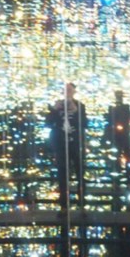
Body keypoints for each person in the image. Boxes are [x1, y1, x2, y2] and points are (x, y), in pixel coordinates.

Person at [46, 82, 87, 210]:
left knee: (80, 172)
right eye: (66, 90)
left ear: (74, 91)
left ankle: (81, 201)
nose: (68, 92)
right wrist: (54, 111)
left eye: (70, 90)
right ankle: (64, 204)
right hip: (60, 144)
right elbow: (48, 123)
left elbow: (85, 124)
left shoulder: (80, 106)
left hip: (75, 143)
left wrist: (76, 112)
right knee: (62, 173)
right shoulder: (56, 106)